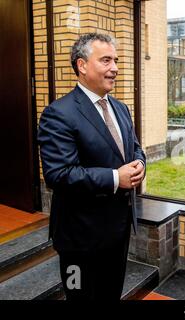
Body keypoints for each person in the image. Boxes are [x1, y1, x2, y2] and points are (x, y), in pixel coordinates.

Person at [38, 33, 146, 300]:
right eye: (106, 60)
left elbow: (134, 148)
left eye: (116, 60)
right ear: (82, 65)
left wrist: (140, 163)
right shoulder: (59, 113)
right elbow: (58, 174)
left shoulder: (121, 108)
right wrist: (114, 177)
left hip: (118, 232)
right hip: (80, 239)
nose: (115, 68)